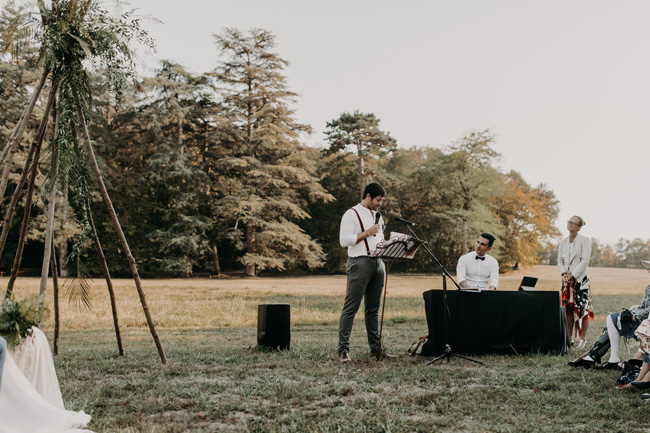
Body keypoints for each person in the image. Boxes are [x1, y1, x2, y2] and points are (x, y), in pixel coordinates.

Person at [338, 182, 393, 362]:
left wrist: (390, 244)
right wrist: (367, 232)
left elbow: (380, 239)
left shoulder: (378, 215)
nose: (380, 204)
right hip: (359, 263)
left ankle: (376, 349)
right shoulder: (351, 214)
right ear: (368, 196)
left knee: (373, 310)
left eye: (381, 201)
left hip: (378, 263)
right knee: (351, 307)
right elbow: (344, 241)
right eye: (378, 200)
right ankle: (343, 350)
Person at [570, 260, 650, 369]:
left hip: (646, 326)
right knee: (612, 320)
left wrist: (635, 316)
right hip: (640, 320)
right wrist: (632, 313)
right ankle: (597, 358)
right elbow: (642, 307)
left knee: (612, 320)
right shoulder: (649, 287)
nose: (649, 271)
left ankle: (600, 358)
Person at [558, 215, 592, 347]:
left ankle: (582, 338)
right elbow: (560, 260)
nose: (570, 224)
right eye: (569, 222)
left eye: (573, 223)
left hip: (580, 280)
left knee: (582, 308)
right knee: (568, 308)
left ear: (579, 227)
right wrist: (564, 274)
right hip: (566, 280)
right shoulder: (563, 242)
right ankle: (569, 337)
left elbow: (585, 261)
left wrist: (574, 275)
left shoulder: (584, 241)